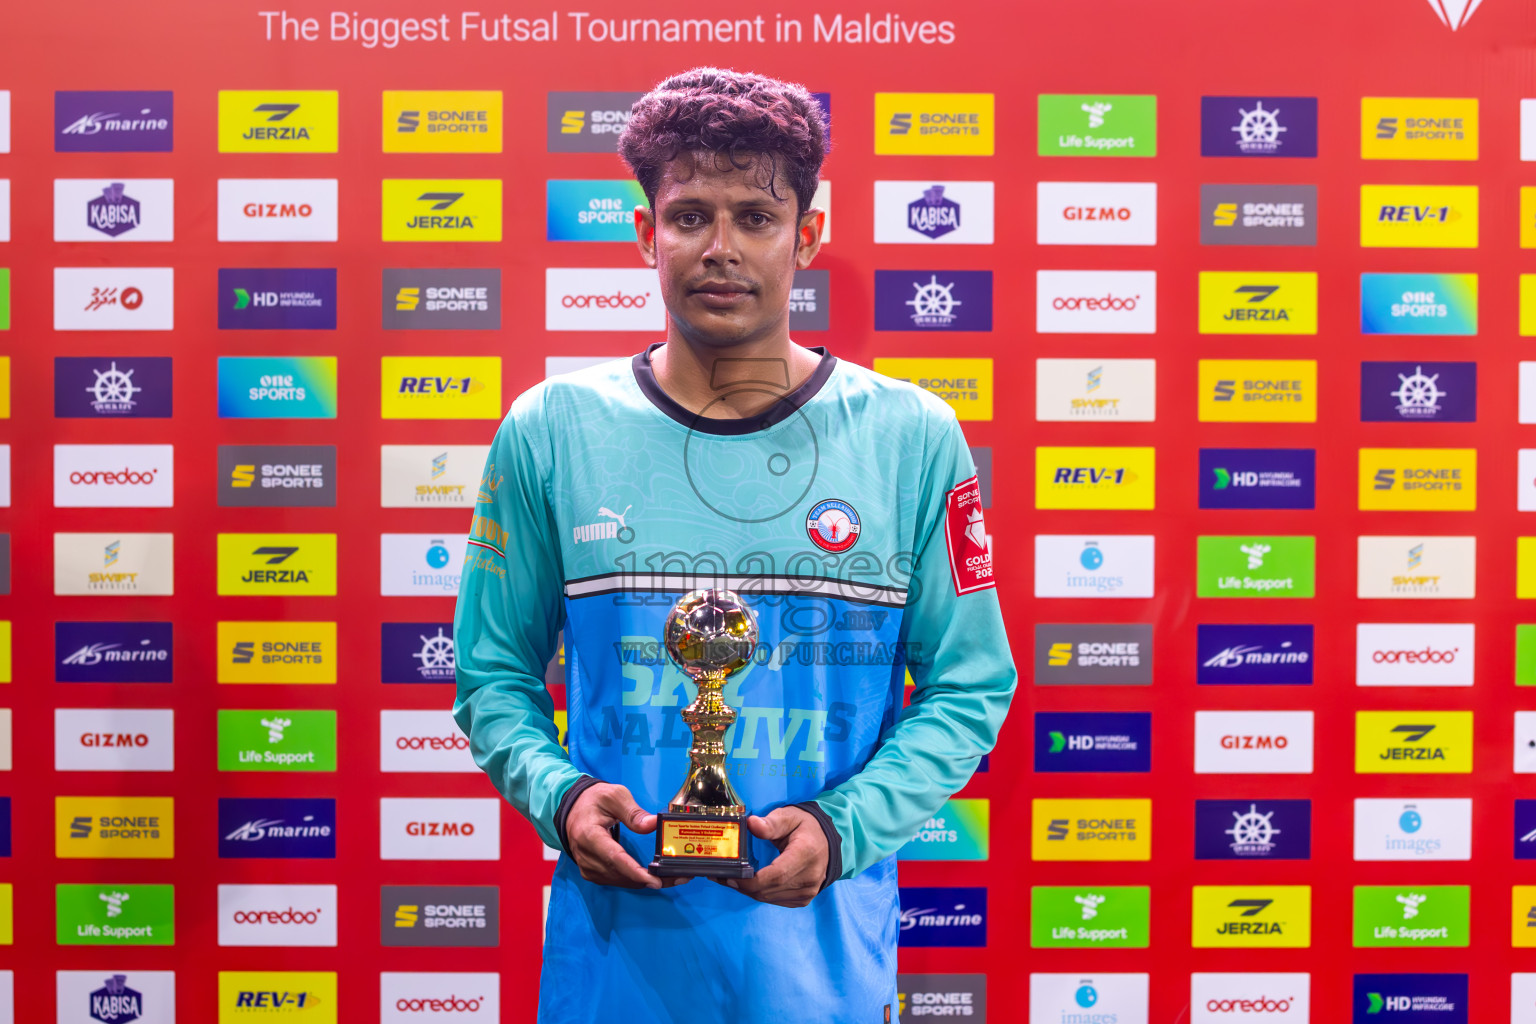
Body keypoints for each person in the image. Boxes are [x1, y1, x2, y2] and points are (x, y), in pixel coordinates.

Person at [453, 67, 1017, 1024]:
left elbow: (970, 687)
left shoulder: (915, 437)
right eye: (690, 217)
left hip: (823, 976)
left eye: (755, 217)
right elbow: (492, 674)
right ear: (645, 233)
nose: (721, 250)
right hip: (613, 973)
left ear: (807, 234)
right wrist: (561, 796)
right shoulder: (550, 429)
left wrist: (843, 830)